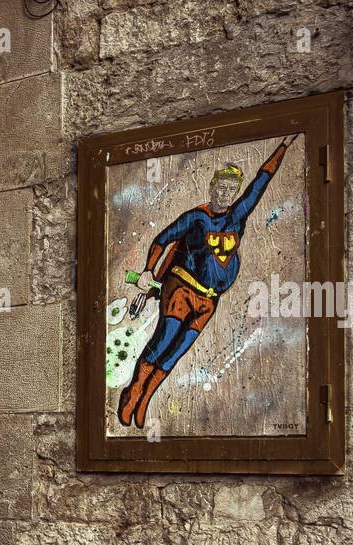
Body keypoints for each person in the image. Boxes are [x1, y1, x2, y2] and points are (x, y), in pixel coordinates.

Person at [118, 133, 299, 427]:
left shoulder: (237, 216)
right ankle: (133, 393)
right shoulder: (196, 218)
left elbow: (261, 181)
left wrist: (283, 146)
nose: (227, 194)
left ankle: (145, 400)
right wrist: (150, 271)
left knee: (175, 353)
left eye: (232, 189)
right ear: (212, 188)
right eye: (222, 187)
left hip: (208, 302)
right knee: (163, 341)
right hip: (181, 290)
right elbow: (161, 240)